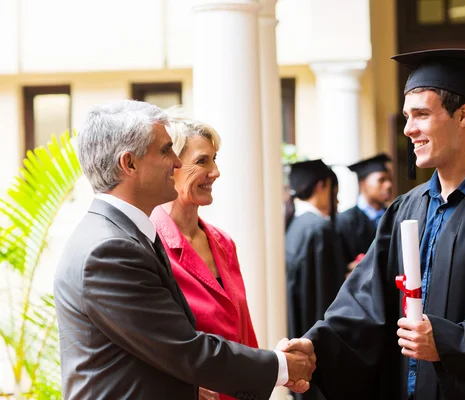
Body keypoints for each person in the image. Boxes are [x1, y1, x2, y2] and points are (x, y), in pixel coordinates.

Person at [284, 49, 465, 399]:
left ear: (464, 116)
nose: (409, 129)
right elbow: (365, 304)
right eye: (408, 116)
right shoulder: (405, 211)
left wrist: (447, 342)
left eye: (422, 114)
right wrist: (315, 347)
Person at [53, 100, 314, 400]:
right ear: (130, 164)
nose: (176, 163)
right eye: (166, 151)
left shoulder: (125, 236)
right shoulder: (111, 249)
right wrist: (282, 366)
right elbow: (184, 350)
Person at [148, 109, 258, 400]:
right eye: (201, 161)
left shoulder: (223, 242)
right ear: (171, 166)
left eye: (214, 159)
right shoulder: (148, 244)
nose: (215, 172)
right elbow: (149, 346)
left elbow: (243, 329)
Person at [285, 159, 345, 400]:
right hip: (314, 350)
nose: (337, 201)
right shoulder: (318, 230)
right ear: (322, 186)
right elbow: (325, 299)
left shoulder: (294, 226)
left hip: (296, 336)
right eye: (334, 192)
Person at [336, 153, 393, 275]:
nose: (389, 185)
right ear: (363, 184)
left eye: (389, 180)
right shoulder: (344, 221)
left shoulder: (394, 216)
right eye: (381, 180)